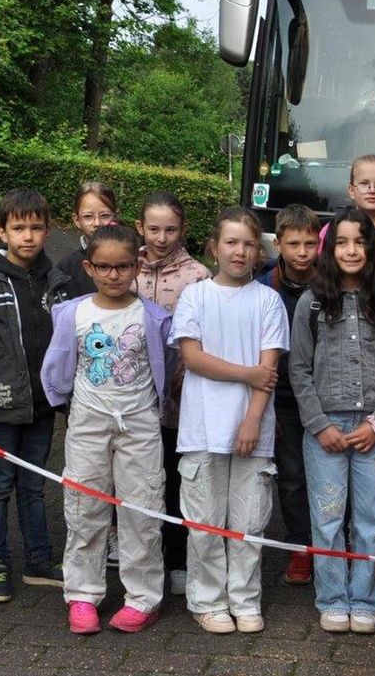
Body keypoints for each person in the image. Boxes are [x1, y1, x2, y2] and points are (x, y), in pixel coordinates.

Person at [41, 223, 171, 635]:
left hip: (140, 425)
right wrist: (64, 401)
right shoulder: (73, 314)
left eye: (122, 267)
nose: (113, 275)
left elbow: (165, 370)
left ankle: (142, 597)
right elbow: (58, 367)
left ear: (137, 266)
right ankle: (82, 594)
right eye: (104, 267)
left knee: (142, 509)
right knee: (84, 508)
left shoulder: (154, 317)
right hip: (88, 424)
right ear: (88, 267)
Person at [288, 207, 375, 636]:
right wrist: (319, 424)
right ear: (329, 248)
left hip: (370, 431)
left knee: (371, 517)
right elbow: (299, 369)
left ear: (372, 247)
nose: (351, 250)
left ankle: (365, 599)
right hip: (325, 429)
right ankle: (333, 598)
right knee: (327, 516)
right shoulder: (313, 301)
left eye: (359, 241)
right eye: (342, 242)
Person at [171, 207, 286, 634]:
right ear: (214, 247)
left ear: (260, 251)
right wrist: (246, 374)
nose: (239, 251)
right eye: (231, 242)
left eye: (249, 244)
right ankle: (208, 599)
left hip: (253, 429)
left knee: (249, 521)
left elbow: (268, 368)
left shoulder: (268, 301)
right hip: (202, 429)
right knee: (204, 523)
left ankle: (244, 598)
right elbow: (193, 357)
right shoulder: (196, 296)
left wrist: (252, 420)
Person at [0, 189, 68, 604]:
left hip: (41, 406)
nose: (28, 236)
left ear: (47, 229)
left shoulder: (55, 282)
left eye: (36, 227)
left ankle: (38, 560)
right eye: (19, 228)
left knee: (34, 484)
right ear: (1, 231)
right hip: (0, 405)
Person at [132, 192, 210, 597]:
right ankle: (145, 560)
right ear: (140, 227)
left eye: (171, 229)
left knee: (180, 482)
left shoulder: (199, 276)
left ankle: (179, 559)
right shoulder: (127, 270)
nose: (162, 237)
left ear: (183, 231)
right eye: (154, 228)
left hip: (182, 402)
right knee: (144, 481)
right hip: (136, 399)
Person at [258, 204, 319, 587]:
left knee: (327, 473)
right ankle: (300, 546)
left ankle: (332, 544)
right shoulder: (264, 286)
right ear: (278, 243)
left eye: (310, 243)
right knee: (293, 474)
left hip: (323, 393)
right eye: (293, 243)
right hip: (280, 394)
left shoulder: (332, 283)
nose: (302, 252)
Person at [57, 182, 118, 300]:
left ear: (115, 216)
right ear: (77, 220)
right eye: (88, 217)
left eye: (105, 215)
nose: (97, 223)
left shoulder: (130, 259)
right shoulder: (67, 268)